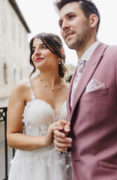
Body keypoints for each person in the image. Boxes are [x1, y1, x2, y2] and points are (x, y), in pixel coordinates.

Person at [54, 0, 117, 179]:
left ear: (92, 21)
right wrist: (64, 136)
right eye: (60, 22)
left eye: (71, 17)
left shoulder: (116, 56)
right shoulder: (76, 73)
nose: (64, 26)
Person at [7, 32, 72, 180]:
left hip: (66, 167)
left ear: (60, 53)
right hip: (31, 169)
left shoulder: (72, 90)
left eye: (43, 47)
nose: (36, 52)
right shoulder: (22, 88)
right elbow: (11, 137)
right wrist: (44, 140)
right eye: (33, 49)